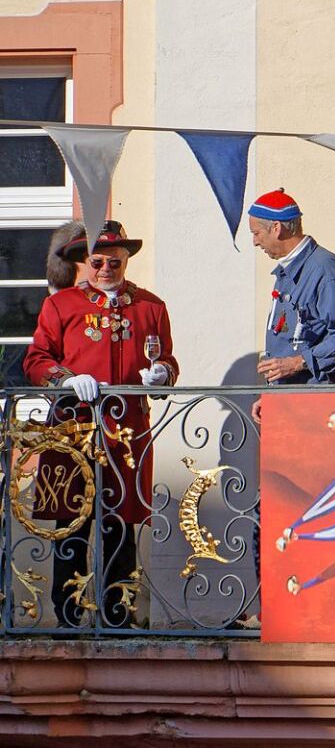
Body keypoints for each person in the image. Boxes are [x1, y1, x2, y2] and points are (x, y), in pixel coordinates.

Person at [23, 220, 179, 627]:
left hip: (126, 432)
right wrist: (66, 379)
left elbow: (167, 360)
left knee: (121, 525)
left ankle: (117, 614)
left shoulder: (150, 306)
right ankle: (69, 614)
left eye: (115, 261)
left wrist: (162, 372)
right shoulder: (61, 306)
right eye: (98, 261)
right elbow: (36, 361)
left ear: (125, 260)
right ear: (83, 262)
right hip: (73, 430)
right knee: (71, 525)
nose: (106, 269)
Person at [249, 188, 335, 424]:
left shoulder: (323, 268)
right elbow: (291, 340)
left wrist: (299, 362)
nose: (254, 242)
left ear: (276, 228)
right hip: (295, 406)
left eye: (256, 233)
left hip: (323, 412)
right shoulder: (290, 270)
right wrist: (274, 393)